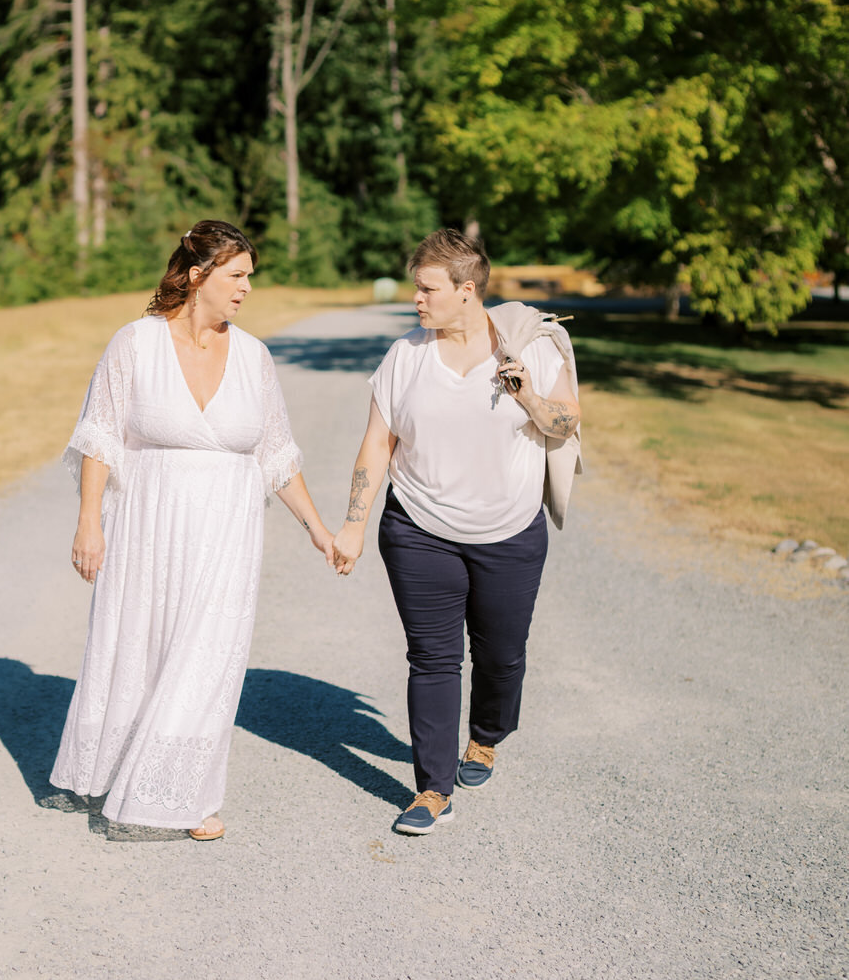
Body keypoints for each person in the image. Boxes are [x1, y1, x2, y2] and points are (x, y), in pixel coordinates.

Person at [48, 220, 335, 841]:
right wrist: (89, 522)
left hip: (228, 534)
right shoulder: (134, 343)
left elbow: (276, 454)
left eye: (250, 276)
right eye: (237, 275)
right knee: (141, 648)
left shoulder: (255, 356)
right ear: (198, 275)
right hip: (148, 526)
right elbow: (100, 436)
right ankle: (122, 772)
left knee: (209, 658)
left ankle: (179, 793)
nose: (247, 288)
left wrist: (318, 528)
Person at [332, 228, 581, 835]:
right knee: (434, 658)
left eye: (427, 289)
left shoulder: (536, 349)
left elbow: (566, 421)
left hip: (510, 532)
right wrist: (354, 524)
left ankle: (487, 737)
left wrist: (527, 397)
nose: (417, 299)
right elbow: (376, 444)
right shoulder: (405, 356)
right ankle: (431, 788)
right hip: (418, 528)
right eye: (417, 288)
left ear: (467, 291)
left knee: (501, 655)